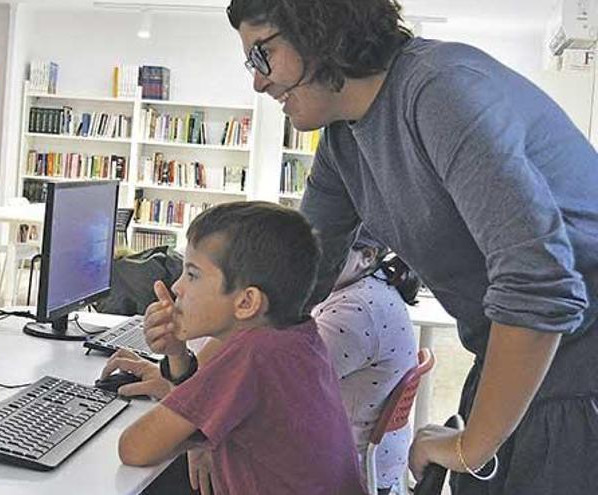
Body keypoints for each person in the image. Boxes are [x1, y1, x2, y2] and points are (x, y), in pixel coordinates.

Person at [225, 1, 598, 493]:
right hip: (517, 361)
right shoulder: (343, 141)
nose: (258, 81)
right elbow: (297, 279)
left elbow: (540, 284)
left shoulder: (440, 89)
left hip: (578, 372)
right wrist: (195, 374)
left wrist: (472, 446)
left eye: (263, 55)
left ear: (321, 31)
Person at [113, 201, 366, 495]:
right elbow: (198, 416)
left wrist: (195, 436)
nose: (177, 287)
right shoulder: (298, 338)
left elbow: (134, 448)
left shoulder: (255, 355)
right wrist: (176, 353)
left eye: (192, 274)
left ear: (246, 303)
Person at [313, 229, 418, 492]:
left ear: (367, 256)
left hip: (349, 466)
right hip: (379, 460)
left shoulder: (356, 311)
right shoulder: (371, 286)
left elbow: (290, 380)